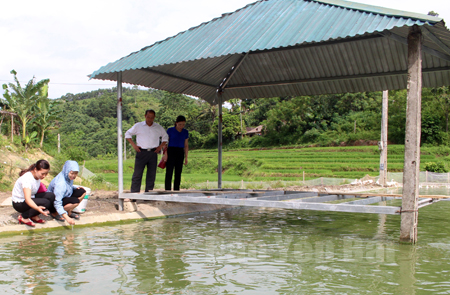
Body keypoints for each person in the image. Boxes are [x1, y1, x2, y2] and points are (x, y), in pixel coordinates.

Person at [125, 109, 168, 195]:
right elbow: (127, 134)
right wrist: (134, 145)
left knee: (151, 175)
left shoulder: (158, 127)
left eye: (152, 117)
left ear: (154, 117)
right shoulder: (138, 126)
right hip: (141, 152)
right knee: (137, 174)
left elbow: (165, 137)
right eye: (148, 117)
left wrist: (160, 147)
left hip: (153, 152)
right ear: (145, 116)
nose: (150, 119)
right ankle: (134, 195)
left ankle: (148, 195)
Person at [11, 159, 55, 227]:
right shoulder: (27, 179)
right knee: (46, 203)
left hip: (30, 197)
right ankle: (24, 217)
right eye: (42, 174)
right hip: (19, 203)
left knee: (51, 196)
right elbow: (27, 199)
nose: (44, 176)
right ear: (35, 170)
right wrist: (37, 208)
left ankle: (33, 215)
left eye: (46, 174)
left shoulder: (37, 176)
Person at [47, 160, 86, 225]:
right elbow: (57, 202)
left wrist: (75, 188)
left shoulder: (68, 177)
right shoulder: (60, 183)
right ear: (67, 171)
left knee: (82, 191)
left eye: (75, 173)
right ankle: (55, 213)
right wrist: (67, 218)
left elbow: (68, 186)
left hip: (64, 196)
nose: (73, 175)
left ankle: (69, 212)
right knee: (75, 201)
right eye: (72, 173)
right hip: (53, 203)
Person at [162, 115, 189, 191]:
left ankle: (176, 190)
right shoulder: (170, 130)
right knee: (169, 172)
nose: (181, 126)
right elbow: (165, 143)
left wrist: (186, 157)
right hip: (171, 151)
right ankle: (167, 190)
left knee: (178, 173)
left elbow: (186, 145)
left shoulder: (185, 132)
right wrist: (165, 154)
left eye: (183, 124)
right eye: (180, 124)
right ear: (176, 123)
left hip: (180, 152)